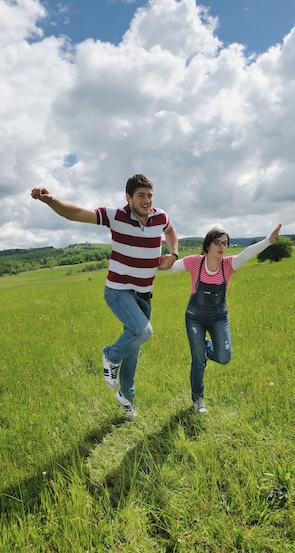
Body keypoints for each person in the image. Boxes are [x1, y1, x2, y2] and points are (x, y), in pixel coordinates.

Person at [31, 174, 179, 418]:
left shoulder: (160, 217)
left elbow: (171, 232)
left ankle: (127, 397)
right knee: (143, 332)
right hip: (118, 290)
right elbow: (76, 213)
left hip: (145, 294)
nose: (147, 200)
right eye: (141, 195)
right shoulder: (115, 216)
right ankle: (110, 355)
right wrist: (51, 200)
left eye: (150, 195)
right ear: (129, 197)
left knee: (135, 345)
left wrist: (173, 254)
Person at [167, 224, 281, 413]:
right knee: (198, 360)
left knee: (223, 357)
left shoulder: (228, 265)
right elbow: (170, 268)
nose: (222, 247)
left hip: (219, 317)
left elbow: (247, 253)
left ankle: (201, 346)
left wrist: (268, 241)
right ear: (208, 244)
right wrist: (152, 260)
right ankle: (198, 400)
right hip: (195, 318)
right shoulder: (196, 263)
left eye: (225, 243)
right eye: (218, 242)